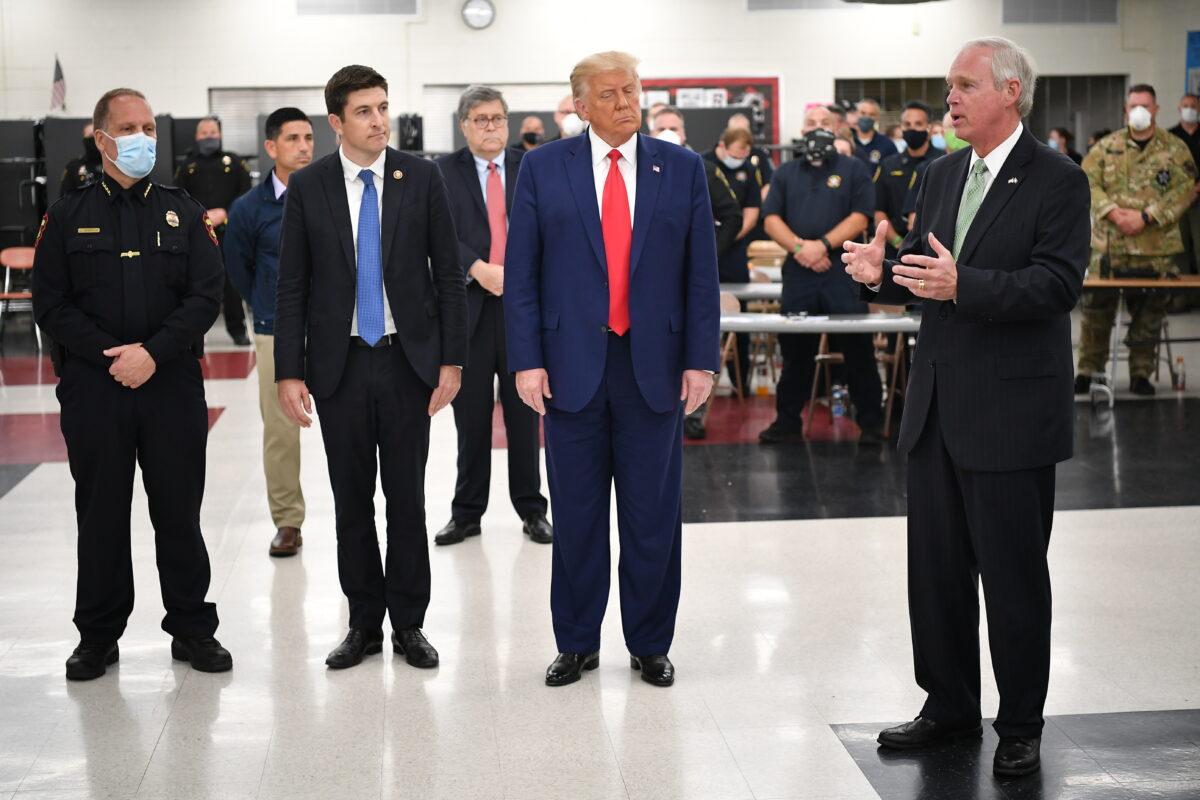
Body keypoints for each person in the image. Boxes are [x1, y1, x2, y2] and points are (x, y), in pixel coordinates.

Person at [843, 37, 1090, 778]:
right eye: (949, 86)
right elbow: (929, 267)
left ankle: (1020, 724)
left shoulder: (1058, 180)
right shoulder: (944, 172)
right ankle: (948, 706)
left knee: (1014, 578)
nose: (948, 98)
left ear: (1010, 91)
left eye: (963, 85)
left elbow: (1056, 285)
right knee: (938, 574)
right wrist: (880, 274)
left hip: (1012, 416)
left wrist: (966, 287)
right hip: (937, 410)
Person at [504, 51, 720, 689]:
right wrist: (527, 361)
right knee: (576, 515)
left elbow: (700, 274)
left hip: (653, 367)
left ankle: (651, 643)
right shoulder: (544, 168)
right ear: (579, 104)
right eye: (611, 93)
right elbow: (522, 275)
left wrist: (701, 361)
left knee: (652, 516)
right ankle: (576, 642)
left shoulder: (680, 167)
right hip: (570, 368)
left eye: (634, 90)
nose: (628, 102)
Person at [32, 88, 234, 681]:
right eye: (129, 127)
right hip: (95, 388)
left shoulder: (184, 210)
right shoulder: (66, 215)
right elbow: (51, 301)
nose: (143, 136)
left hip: (170, 384)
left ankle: (193, 628)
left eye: (148, 126)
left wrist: (153, 353)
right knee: (100, 514)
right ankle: (97, 635)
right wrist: (109, 355)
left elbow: (205, 296)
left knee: (178, 511)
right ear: (101, 139)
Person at [274, 65, 467, 671]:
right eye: (364, 111)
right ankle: (363, 622)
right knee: (350, 498)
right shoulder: (311, 188)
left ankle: (410, 623)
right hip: (340, 368)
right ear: (336, 121)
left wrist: (451, 361)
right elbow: (292, 287)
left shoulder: (422, 176)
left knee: (406, 498)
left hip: (407, 363)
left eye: (383, 107)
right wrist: (288, 369)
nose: (379, 119)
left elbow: (449, 278)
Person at [433, 86, 551, 546]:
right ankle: (466, 513)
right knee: (472, 416)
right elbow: (437, 235)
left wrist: (517, 274)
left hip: (523, 309)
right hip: (471, 309)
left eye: (498, 119)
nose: (491, 127)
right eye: (480, 119)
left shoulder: (532, 167)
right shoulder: (442, 172)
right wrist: (477, 268)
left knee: (526, 414)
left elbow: (550, 229)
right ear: (464, 125)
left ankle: (532, 508)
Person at [758, 105, 885, 445]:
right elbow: (771, 219)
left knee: (858, 350)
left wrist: (824, 245)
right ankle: (787, 422)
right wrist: (803, 250)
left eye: (824, 123)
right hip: (799, 274)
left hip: (843, 270)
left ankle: (871, 424)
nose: (817, 129)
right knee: (795, 352)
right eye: (811, 123)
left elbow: (861, 216)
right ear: (802, 129)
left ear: (837, 128)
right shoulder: (785, 172)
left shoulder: (854, 169)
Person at [223, 107, 314, 557]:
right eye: (293, 138)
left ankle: (354, 518)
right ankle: (288, 521)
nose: (303, 147)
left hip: (334, 330)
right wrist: (265, 304)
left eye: (309, 138)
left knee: (351, 428)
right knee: (281, 431)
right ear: (271, 146)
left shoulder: (331, 196)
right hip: (275, 331)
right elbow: (238, 268)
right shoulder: (248, 209)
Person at [1076, 84, 1197, 395]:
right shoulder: (1105, 147)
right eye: (1133, 105)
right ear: (1125, 110)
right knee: (1095, 311)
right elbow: (1085, 182)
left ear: (1156, 109)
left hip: (1154, 249)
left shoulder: (1175, 149)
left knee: (1149, 312)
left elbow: (1186, 190)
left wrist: (1147, 216)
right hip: (1109, 248)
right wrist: (1114, 212)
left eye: (1145, 104)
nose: (1139, 110)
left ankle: (1141, 373)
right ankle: (1089, 370)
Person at [647, 108, 742, 440]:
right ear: (649, 129)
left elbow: (732, 215)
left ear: (685, 133)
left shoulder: (701, 169)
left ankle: (694, 413)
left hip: (692, 279)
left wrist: (707, 253)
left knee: (696, 343)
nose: (669, 132)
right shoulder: (634, 170)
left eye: (674, 127)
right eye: (661, 127)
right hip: (651, 283)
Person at [174, 117, 252, 346]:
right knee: (194, 285)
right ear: (197, 137)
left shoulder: (234, 162)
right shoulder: (187, 166)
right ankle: (191, 334)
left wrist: (226, 213)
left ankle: (237, 330)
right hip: (197, 234)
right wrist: (201, 216)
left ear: (220, 134)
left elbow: (246, 193)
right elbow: (177, 198)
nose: (209, 136)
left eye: (213, 132)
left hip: (230, 232)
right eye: (204, 132)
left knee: (232, 283)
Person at [875, 101, 945, 260]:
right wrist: (899, 242)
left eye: (918, 124)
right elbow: (879, 210)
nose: (912, 128)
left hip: (934, 250)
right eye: (907, 124)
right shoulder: (888, 164)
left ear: (929, 128)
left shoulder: (944, 161)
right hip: (896, 250)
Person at [1169, 93, 1200, 307]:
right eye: (1185, 105)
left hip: (1199, 201)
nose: (1189, 109)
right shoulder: (1171, 136)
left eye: (1193, 106)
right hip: (1177, 202)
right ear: (1179, 108)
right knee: (1180, 250)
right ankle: (1181, 299)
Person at [60, 121, 104, 196]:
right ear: (84, 139)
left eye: (96, 136)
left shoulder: (113, 164)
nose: (94, 140)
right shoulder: (74, 167)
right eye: (91, 136)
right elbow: (65, 197)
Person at [853, 98, 898, 166]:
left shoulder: (887, 144)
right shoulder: (848, 142)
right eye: (863, 113)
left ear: (877, 117)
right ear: (856, 114)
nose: (867, 117)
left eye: (871, 114)